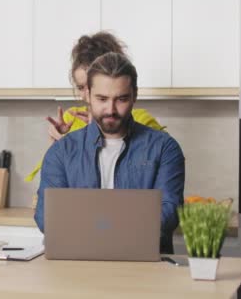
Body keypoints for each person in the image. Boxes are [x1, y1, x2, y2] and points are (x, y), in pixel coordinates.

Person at [33, 52, 185, 254]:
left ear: (135, 95)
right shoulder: (61, 151)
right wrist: (123, 227)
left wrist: (91, 229)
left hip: (145, 271)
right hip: (75, 268)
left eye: (121, 99)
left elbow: (169, 212)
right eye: (102, 99)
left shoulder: (164, 148)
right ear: (87, 94)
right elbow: (47, 217)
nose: (110, 109)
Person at [25, 32, 164, 182]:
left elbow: (159, 174)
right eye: (80, 87)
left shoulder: (143, 122)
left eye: (91, 85)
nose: (86, 95)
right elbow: (47, 187)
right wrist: (58, 149)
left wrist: (100, 134)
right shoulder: (70, 120)